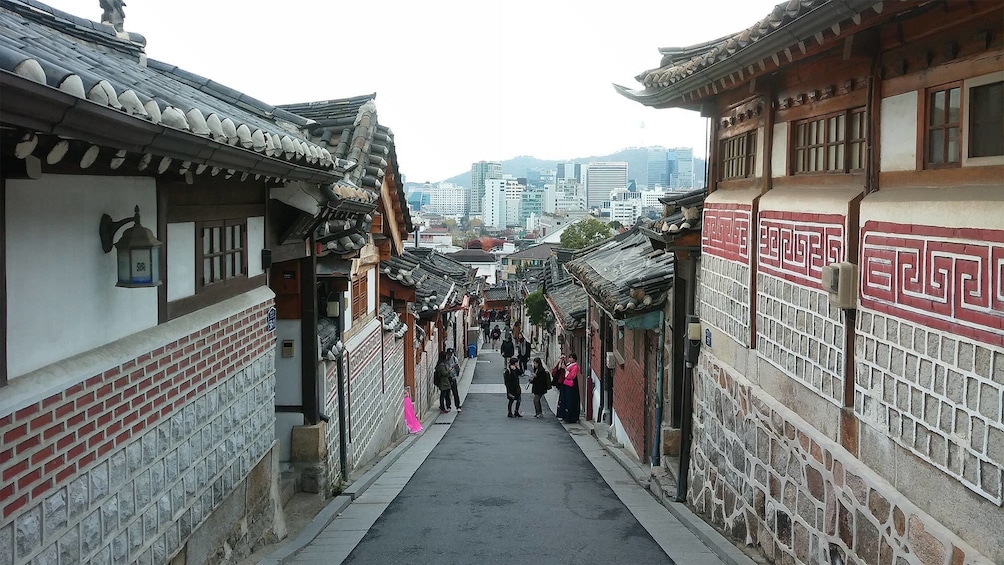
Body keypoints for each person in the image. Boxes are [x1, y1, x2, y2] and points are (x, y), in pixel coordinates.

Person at [560, 353, 580, 423]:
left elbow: (572, 376)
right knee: (566, 400)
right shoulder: (569, 364)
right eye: (569, 358)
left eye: (571, 358)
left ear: (574, 359)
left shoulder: (575, 366)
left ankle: (571, 417)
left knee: (571, 400)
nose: (570, 359)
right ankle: (565, 415)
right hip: (566, 384)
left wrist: (565, 369)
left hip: (571, 386)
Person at [446, 348, 462, 412]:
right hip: (447, 378)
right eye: (449, 354)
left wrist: (457, 370)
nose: (450, 355)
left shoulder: (454, 359)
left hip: (453, 377)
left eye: (451, 354)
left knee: (455, 392)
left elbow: (458, 368)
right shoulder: (445, 360)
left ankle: (458, 406)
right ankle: (448, 406)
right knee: (447, 393)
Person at [552, 355, 567, 419]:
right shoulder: (558, 365)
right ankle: (560, 412)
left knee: (562, 398)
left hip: (563, 383)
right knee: (560, 397)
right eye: (560, 358)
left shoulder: (565, 366)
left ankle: (562, 412)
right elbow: (554, 372)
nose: (561, 359)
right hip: (559, 383)